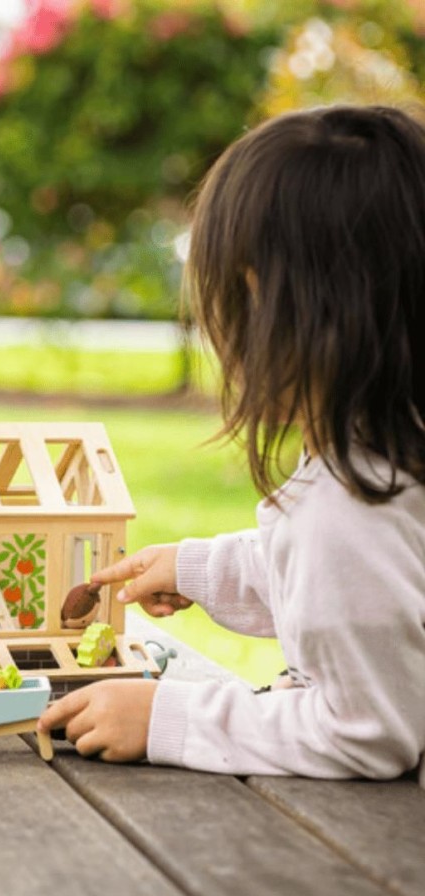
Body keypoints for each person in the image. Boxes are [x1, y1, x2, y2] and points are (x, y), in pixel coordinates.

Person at [38, 104, 425, 778]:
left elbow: (366, 731)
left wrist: (167, 716)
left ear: (264, 304)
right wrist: (199, 569)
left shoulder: (349, 513)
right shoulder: (390, 457)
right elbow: (364, 596)